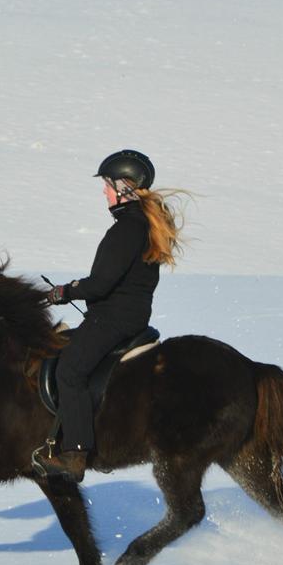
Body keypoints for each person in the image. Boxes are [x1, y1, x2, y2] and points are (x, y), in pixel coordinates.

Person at [34, 149, 185, 482]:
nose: (104, 192)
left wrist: (65, 292)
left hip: (112, 319)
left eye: (107, 184)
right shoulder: (144, 225)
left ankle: (74, 454)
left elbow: (101, 285)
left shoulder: (127, 229)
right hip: (129, 317)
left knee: (70, 371)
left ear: (126, 187)